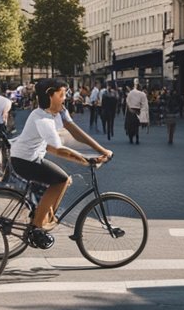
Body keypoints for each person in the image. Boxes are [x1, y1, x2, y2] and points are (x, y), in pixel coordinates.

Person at [9, 79, 110, 249]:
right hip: (25, 161)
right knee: (61, 180)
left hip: (31, 157)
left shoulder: (57, 113)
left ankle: (47, 217)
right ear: (50, 95)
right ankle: (37, 226)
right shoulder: (43, 119)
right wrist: (86, 160)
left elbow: (73, 134)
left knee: (65, 180)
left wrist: (101, 150)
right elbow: (58, 149)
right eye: (61, 95)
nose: (65, 98)